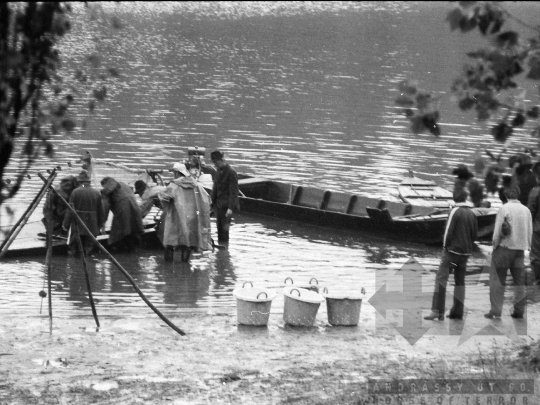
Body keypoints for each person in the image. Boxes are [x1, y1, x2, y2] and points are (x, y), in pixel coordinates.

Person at [424, 189, 478, 321]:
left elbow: (448, 233)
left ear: (454, 198)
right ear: (465, 198)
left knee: (441, 279)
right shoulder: (472, 213)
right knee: (460, 282)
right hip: (465, 254)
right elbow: (475, 235)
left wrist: (445, 248)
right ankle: (457, 312)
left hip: (452, 253)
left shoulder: (454, 211)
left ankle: (437, 311)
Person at [485, 185, 532, 319]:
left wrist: (494, 246)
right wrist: (527, 246)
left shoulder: (504, 208)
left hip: (504, 248)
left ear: (506, 195)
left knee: (497, 279)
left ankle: (496, 310)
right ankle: (519, 311)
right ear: (518, 194)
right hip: (520, 250)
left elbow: (498, 232)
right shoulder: (526, 210)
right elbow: (529, 230)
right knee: (519, 282)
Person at [158, 162, 212, 262]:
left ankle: (168, 268)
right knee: (188, 243)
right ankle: (185, 265)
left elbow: (163, 197)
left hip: (176, 218)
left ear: (177, 173)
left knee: (170, 242)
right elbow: (207, 200)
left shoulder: (174, 185)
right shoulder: (197, 185)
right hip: (191, 219)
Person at [62, 170, 104, 256]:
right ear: (89, 181)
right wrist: (99, 226)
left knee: (74, 250)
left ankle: (74, 266)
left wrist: (65, 225)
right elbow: (101, 212)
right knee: (88, 250)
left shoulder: (75, 192)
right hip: (92, 227)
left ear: (79, 182)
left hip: (78, 227)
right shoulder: (97, 193)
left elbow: (70, 210)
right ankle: (88, 265)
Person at [100, 177, 145, 252]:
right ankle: (133, 254)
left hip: (122, 211)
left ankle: (122, 253)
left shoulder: (106, 191)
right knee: (133, 231)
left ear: (104, 184)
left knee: (119, 235)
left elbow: (105, 207)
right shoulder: (124, 185)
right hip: (136, 209)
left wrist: (103, 224)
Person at [210, 150, 240, 243]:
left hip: (226, 207)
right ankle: (222, 254)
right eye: (213, 162)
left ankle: (224, 248)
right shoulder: (218, 171)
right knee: (219, 230)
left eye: (216, 162)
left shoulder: (231, 172)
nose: (215, 165)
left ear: (222, 160)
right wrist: (211, 205)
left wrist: (230, 208)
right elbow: (215, 189)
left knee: (224, 232)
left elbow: (234, 192)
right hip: (219, 206)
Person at [528, 162, 540, 285]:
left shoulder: (535, 192)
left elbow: (530, 212)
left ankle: (538, 281)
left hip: (537, 229)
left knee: (536, 256)